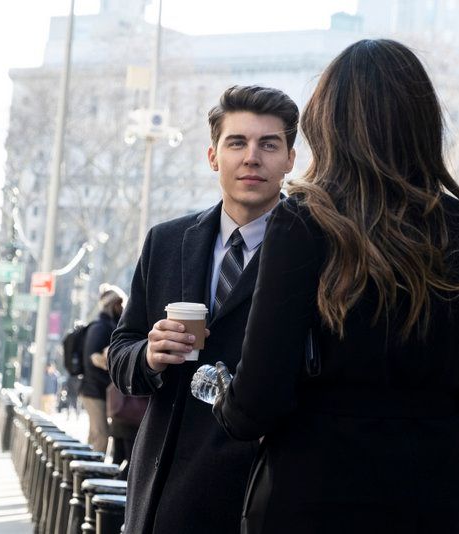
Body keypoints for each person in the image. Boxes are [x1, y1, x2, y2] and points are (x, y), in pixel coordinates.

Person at [212, 39, 459, 533]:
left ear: (329, 122)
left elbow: (259, 396)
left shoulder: (304, 222)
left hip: (313, 490)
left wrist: (228, 404)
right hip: (430, 495)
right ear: (423, 121)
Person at [108, 85, 298, 534]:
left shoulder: (312, 247)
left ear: (290, 159)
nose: (252, 157)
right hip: (166, 482)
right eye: (237, 143)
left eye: (268, 145)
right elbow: (121, 353)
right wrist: (149, 355)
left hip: (259, 486)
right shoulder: (167, 241)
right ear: (213, 156)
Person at [80, 286, 125, 453]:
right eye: (120, 304)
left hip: (98, 390)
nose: (122, 308)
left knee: (95, 435)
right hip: (94, 391)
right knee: (101, 436)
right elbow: (93, 357)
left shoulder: (108, 325)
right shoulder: (101, 327)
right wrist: (115, 365)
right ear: (113, 305)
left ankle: (86, 472)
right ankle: (93, 474)